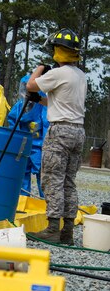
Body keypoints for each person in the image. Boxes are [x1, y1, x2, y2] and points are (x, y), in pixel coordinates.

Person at [26, 28, 87, 245]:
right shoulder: (81, 76)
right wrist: (39, 100)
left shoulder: (58, 73)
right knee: (69, 181)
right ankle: (67, 231)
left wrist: (40, 69)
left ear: (58, 51)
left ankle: (52, 228)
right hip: (78, 131)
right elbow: (59, 103)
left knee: (53, 179)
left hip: (59, 131)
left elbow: (30, 84)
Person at [8, 75, 49, 198]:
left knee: (43, 177)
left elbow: (46, 125)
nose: (26, 92)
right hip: (23, 146)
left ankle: (46, 204)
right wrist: (14, 143)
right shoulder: (19, 106)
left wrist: (47, 146)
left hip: (39, 147)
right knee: (22, 175)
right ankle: (22, 200)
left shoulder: (42, 106)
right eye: (25, 89)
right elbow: (12, 123)